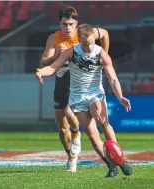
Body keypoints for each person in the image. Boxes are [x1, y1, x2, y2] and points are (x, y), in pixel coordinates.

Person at [36, 23, 133, 177]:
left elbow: (113, 79)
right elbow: (53, 67)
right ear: (79, 41)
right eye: (86, 44)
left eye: (92, 42)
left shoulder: (101, 54)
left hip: (95, 94)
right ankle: (111, 166)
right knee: (92, 134)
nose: (89, 47)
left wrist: (120, 97)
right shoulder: (71, 52)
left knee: (103, 122)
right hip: (77, 98)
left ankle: (120, 159)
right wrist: (42, 72)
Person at [39, 6, 110, 173]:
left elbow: (105, 33)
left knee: (71, 114)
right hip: (62, 76)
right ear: (60, 24)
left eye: (71, 24)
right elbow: (43, 63)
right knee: (62, 126)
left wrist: (104, 55)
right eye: (64, 24)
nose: (68, 28)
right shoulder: (54, 38)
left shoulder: (85, 33)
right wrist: (56, 55)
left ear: (76, 23)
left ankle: (77, 144)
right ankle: (72, 148)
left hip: (80, 79)